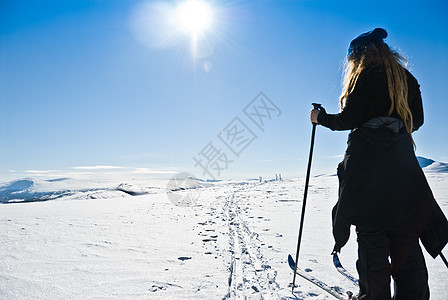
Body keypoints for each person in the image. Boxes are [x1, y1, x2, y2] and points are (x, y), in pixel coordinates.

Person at [309, 28, 448, 300]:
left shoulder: (366, 75)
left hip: (367, 170)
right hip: (402, 168)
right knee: (406, 236)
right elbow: (416, 121)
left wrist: (320, 118)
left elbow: (349, 120)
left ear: (357, 56)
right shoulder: (407, 78)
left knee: (373, 238)